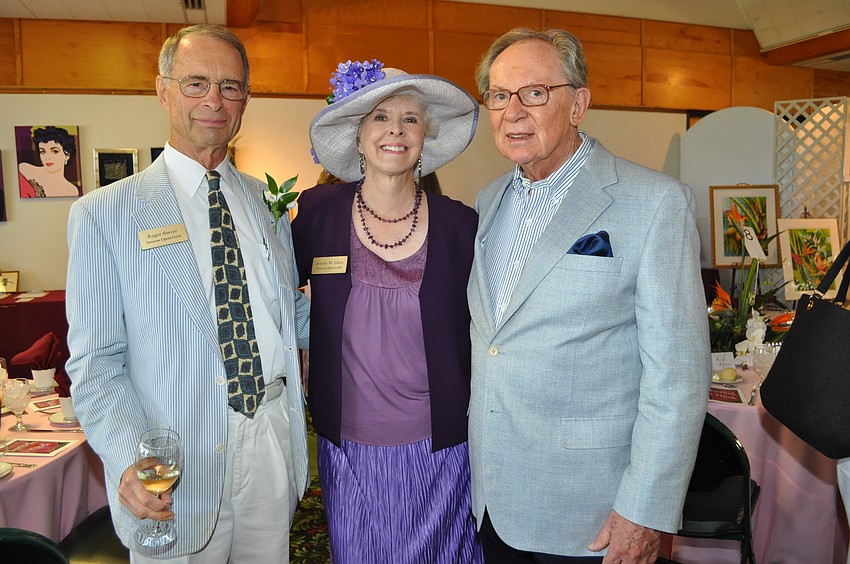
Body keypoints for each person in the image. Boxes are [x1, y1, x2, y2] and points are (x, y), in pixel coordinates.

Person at [65, 24, 310, 562]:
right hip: (173, 460)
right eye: (196, 83)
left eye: (230, 86)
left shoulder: (267, 206)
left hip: (269, 437)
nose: (214, 101)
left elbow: (285, 313)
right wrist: (131, 457)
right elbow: (96, 362)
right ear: (163, 90)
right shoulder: (105, 214)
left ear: (246, 98)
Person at [466, 28, 711, 563]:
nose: (513, 111)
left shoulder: (654, 203)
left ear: (578, 104)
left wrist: (645, 511)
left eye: (534, 93)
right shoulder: (487, 202)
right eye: (499, 96)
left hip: (594, 512)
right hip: (492, 501)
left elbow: (678, 377)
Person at [291, 60, 483, 563]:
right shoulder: (317, 213)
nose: (395, 129)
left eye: (410, 119)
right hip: (348, 445)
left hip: (441, 445)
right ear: (358, 138)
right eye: (380, 117)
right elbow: (275, 293)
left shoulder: (462, 225)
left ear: (425, 138)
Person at [18, 125, 80, 197]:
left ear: (67, 155)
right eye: (42, 152)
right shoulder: (24, 170)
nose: (47, 157)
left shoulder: (71, 190)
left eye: (55, 151)